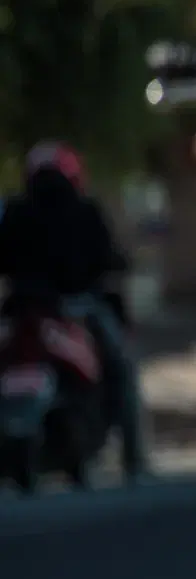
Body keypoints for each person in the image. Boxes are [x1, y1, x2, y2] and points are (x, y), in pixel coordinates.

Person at [0, 142, 147, 479]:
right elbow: (108, 257)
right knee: (121, 368)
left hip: (31, 309)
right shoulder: (83, 210)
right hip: (69, 308)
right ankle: (134, 460)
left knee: (117, 363)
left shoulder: (17, 211)